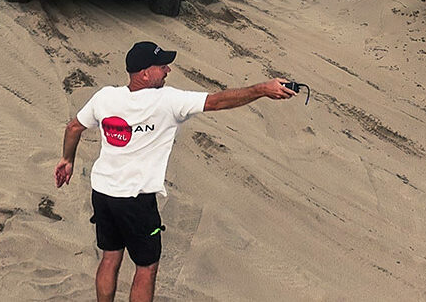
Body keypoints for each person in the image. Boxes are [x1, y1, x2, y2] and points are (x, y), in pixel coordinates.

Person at [54, 41, 296, 302]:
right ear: (144, 74)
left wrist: (67, 159)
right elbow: (217, 102)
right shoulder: (167, 100)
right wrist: (262, 89)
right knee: (146, 268)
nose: (168, 70)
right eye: (161, 66)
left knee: (110, 257)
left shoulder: (105, 97)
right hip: (136, 200)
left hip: (103, 193)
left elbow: (73, 127)